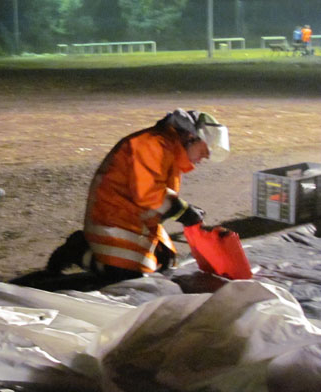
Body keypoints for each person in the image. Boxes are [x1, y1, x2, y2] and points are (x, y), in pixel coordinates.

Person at [46, 109, 230, 284]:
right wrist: (184, 212)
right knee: (127, 277)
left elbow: (158, 196)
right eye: (206, 148)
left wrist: (184, 210)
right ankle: (79, 250)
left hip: (134, 219)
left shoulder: (168, 149)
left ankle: (96, 252)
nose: (206, 155)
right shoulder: (152, 144)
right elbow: (148, 193)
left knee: (164, 261)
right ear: (191, 137)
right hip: (112, 218)